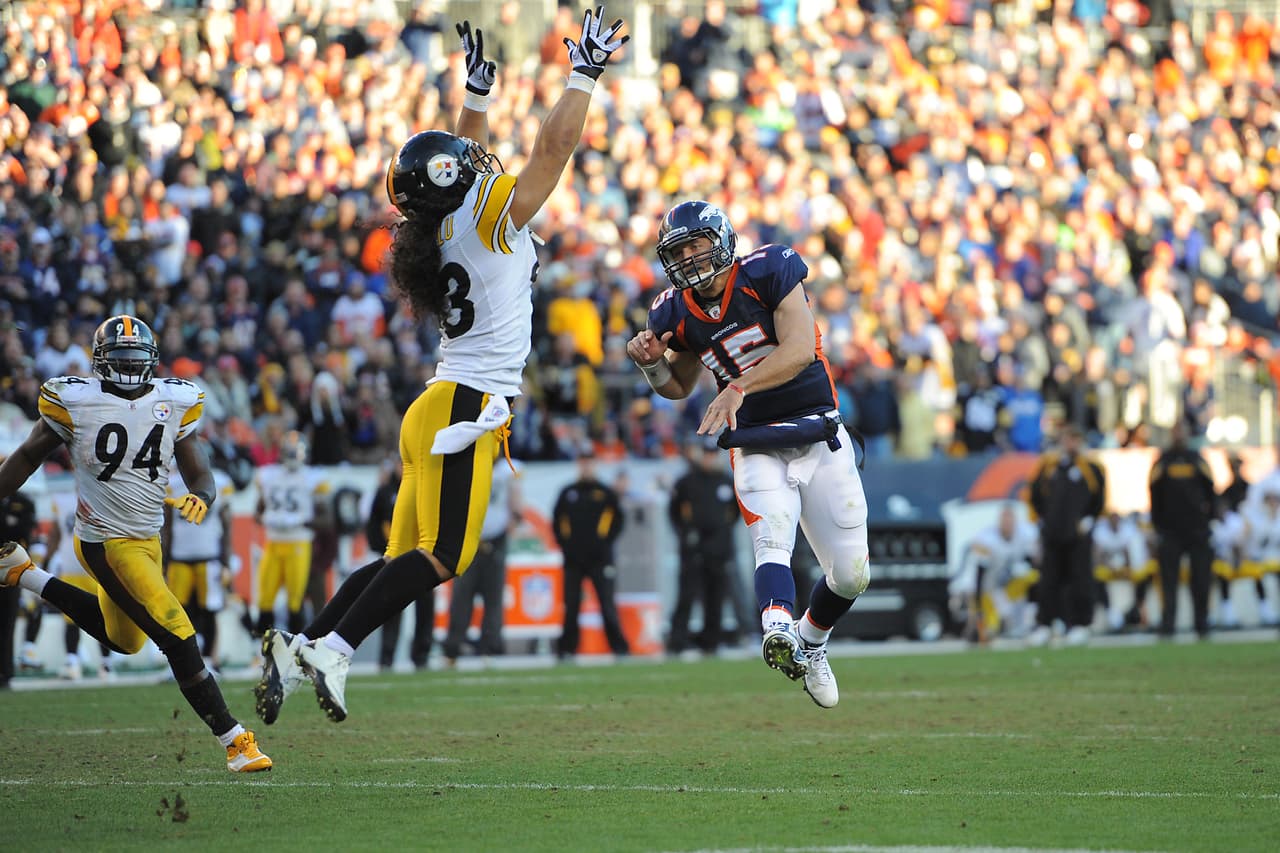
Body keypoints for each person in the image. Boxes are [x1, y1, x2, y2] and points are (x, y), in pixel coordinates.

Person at [253, 9, 630, 725]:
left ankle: (300, 645)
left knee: (399, 555)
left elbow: (461, 162)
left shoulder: (446, 227)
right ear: (456, 182)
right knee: (446, 556)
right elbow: (553, 149)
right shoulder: (484, 216)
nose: (479, 160)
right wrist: (583, 74)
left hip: (436, 404)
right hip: (464, 407)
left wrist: (477, 103)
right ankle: (334, 645)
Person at [626, 199, 870, 709]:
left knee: (851, 573)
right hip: (755, 441)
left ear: (722, 241)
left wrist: (738, 387)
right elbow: (677, 385)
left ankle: (810, 641)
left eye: (697, 245)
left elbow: (800, 347)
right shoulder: (674, 310)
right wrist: (652, 366)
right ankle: (776, 629)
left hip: (817, 430)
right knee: (772, 539)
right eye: (680, 250)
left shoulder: (769, 269)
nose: (690, 258)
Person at [0, 315, 271, 771]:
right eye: (120, 357)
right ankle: (234, 739)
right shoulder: (76, 401)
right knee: (176, 629)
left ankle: (24, 575)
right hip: (106, 539)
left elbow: (198, 469)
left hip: (148, 538)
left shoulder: (174, 399)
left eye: (135, 357)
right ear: (100, 361)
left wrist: (203, 495)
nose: (128, 365)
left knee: (125, 640)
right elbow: (28, 455)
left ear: (152, 361)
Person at [1025, 424, 1106, 647]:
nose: (1071, 444)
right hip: (1052, 533)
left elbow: (1100, 498)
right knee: (1048, 581)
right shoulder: (1049, 465)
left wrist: (1089, 519)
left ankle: (1079, 624)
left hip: (1078, 536)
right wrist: (1042, 521)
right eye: (1068, 439)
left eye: (1075, 439)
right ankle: (1045, 624)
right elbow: (1034, 495)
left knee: (1080, 580)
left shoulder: (1091, 467)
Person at [444, 455, 522, 666]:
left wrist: (513, 521)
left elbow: (515, 502)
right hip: (470, 538)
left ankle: (491, 648)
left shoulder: (508, 469)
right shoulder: (470, 463)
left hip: (496, 539)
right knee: (461, 596)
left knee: (493, 597)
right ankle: (453, 647)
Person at [553, 449, 630, 659]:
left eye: (589, 462)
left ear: (595, 464)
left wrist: (604, 544)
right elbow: (557, 522)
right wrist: (565, 545)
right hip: (573, 560)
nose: (586, 466)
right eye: (583, 462)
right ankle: (567, 649)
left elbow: (618, 521)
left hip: (600, 559)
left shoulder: (605, 493)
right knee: (571, 606)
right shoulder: (567, 492)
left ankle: (620, 648)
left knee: (606, 604)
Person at [251, 431, 329, 637]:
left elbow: (326, 518)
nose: (293, 456)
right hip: (274, 541)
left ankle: (296, 648)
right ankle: (261, 649)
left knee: (295, 599)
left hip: (299, 542)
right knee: (265, 597)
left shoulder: (314, 477)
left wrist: (303, 520)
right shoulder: (268, 475)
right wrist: (267, 518)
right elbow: (258, 510)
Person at [666, 437, 739, 655]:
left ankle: (711, 641)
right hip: (693, 548)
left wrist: (723, 533)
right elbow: (674, 512)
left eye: (712, 455)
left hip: (718, 549)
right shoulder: (687, 482)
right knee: (687, 595)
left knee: (715, 596)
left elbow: (734, 513)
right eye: (706, 454)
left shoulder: (726, 481)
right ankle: (677, 640)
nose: (709, 459)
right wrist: (686, 533)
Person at [165, 466, 236, 673]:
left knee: (208, 612)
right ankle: (179, 663)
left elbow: (226, 526)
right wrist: (164, 561)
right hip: (180, 558)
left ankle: (208, 661)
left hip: (209, 558)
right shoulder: (172, 484)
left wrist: (226, 562)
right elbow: (167, 526)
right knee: (178, 613)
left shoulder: (219, 483)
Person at [1148, 424, 1216, 638]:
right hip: (1170, 532)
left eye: (1182, 431)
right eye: (1176, 431)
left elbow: (1211, 490)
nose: (1179, 435)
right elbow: (1153, 491)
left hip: (1197, 530)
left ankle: (1202, 623)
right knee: (1168, 581)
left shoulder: (1197, 459)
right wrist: (1157, 525)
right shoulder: (1163, 460)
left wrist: (1208, 520)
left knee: (1201, 579)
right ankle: (1168, 625)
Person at [368, 457, 434, 671]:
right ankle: (387, 658)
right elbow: (373, 522)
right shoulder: (385, 491)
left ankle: (421, 656)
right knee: (391, 610)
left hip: (421, 556)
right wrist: (382, 550)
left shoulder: (426, 488)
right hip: (396, 559)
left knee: (424, 610)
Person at [948, 503, 1040, 644]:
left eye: (1010, 519)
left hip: (1002, 585)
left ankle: (1034, 622)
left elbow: (1034, 556)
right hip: (984, 589)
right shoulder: (988, 541)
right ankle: (977, 630)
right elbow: (978, 576)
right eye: (1005, 520)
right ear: (999, 522)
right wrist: (978, 610)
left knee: (1033, 576)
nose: (1008, 523)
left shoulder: (1023, 534)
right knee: (989, 627)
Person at [0, 485, 37, 689]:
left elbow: (24, 534)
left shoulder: (22, 502)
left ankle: (5, 672)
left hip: (9, 569)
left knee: (7, 621)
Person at [1091, 510, 1152, 633]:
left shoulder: (1129, 531)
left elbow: (1133, 553)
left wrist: (1125, 565)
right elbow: (1097, 555)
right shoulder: (1101, 532)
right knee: (1095, 577)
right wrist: (1108, 564)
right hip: (1107, 568)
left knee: (1145, 575)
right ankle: (1111, 613)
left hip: (1128, 568)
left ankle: (1136, 609)